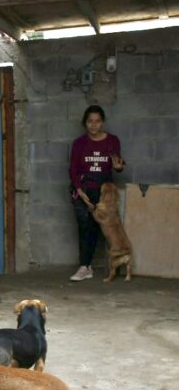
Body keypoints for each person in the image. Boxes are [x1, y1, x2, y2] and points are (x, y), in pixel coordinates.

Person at [67, 104, 125, 281]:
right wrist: (79, 190)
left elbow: (118, 165)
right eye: (90, 121)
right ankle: (85, 266)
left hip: (104, 192)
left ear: (103, 122)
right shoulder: (79, 143)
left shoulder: (113, 140)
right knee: (85, 226)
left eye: (97, 121)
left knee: (106, 228)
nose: (94, 125)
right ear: (85, 123)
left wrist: (118, 167)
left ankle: (116, 266)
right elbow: (73, 169)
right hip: (83, 189)